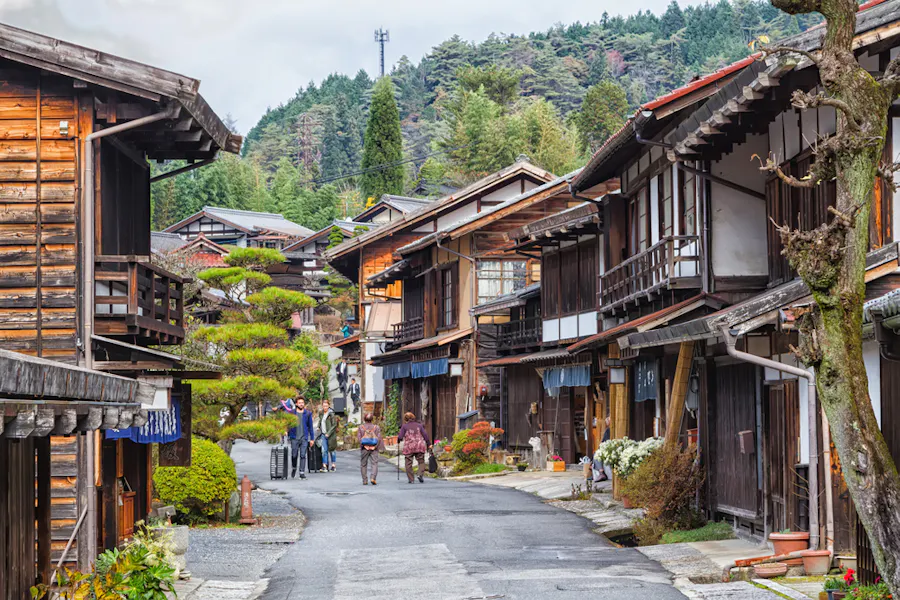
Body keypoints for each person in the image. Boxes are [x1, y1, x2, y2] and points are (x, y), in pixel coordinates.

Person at [398, 412, 430, 484]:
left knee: (408, 463)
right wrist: (429, 443)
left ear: (405, 419)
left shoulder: (404, 426)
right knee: (421, 461)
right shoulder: (419, 426)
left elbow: (400, 437)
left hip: (409, 447)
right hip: (419, 445)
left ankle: (411, 479)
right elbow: (425, 435)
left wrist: (398, 440)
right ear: (413, 418)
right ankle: (419, 474)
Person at [286, 397, 314, 479]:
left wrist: (312, 439)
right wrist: (286, 431)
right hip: (294, 437)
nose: (301, 404)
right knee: (294, 455)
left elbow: (311, 427)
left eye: (302, 402)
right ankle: (294, 468)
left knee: (303, 455)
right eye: (299, 402)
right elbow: (288, 424)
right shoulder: (292, 413)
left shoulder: (308, 414)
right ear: (296, 404)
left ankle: (302, 472)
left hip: (304, 437)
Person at [357, 412, 382, 485]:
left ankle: (365, 480)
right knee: (374, 463)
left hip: (364, 448)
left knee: (363, 464)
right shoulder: (376, 427)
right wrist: (375, 446)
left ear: (364, 419)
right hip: (374, 448)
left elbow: (359, 438)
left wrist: (364, 446)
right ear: (372, 419)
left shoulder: (361, 427)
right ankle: (373, 477)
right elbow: (379, 438)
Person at [318, 400, 338, 472]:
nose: (325, 407)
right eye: (323, 406)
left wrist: (328, 433)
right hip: (323, 434)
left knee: (332, 450)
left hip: (331, 435)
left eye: (326, 406)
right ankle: (324, 466)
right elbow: (320, 421)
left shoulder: (331, 414)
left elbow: (334, 425)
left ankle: (333, 465)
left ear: (329, 406)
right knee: (324, 450)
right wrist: (318, 426)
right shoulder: (321, 413)